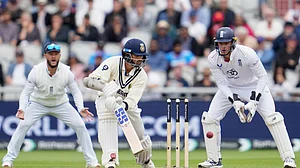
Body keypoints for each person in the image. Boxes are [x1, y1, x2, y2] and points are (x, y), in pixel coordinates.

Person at [198, 27, 296, 168]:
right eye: (220, 43)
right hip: (231, 87)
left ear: (232, 43)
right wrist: (235, 101)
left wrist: (254, 101)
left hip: (254, 85)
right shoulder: (213, 58)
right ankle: (214, 160)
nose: (223, 47)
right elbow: (221, 82)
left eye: (226, 43)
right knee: (209, 118)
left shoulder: (247, 53)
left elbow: (263, 77)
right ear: (216, 44)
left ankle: (289, 160)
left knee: (273, 119)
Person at [2, 43, 100, 168]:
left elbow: (76, 91)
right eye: (50, 54)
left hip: (61, 103)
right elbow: (26, 92)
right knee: (23, 125)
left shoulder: (67, 72)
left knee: (80, 126)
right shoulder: (36, 71)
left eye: (55, 54)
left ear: (59, 55)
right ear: (45, 55)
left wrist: (80, 107)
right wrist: (22, 108)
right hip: (38, 103)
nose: (53, 57)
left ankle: (91, 162)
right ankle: (8, 160)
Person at [83, 38, 155, 168]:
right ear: (127, 54)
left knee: (140, 134)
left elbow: (133, 99)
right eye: (136, 56)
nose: (139, 60)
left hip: (126, 105)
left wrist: (122, 106)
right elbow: (88, 81)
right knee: (108, 120)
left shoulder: (142, 76)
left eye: (141, 57)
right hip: (106, 99)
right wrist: (105, 87)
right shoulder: (112, 62)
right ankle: (110, 161)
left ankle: (146, 161)